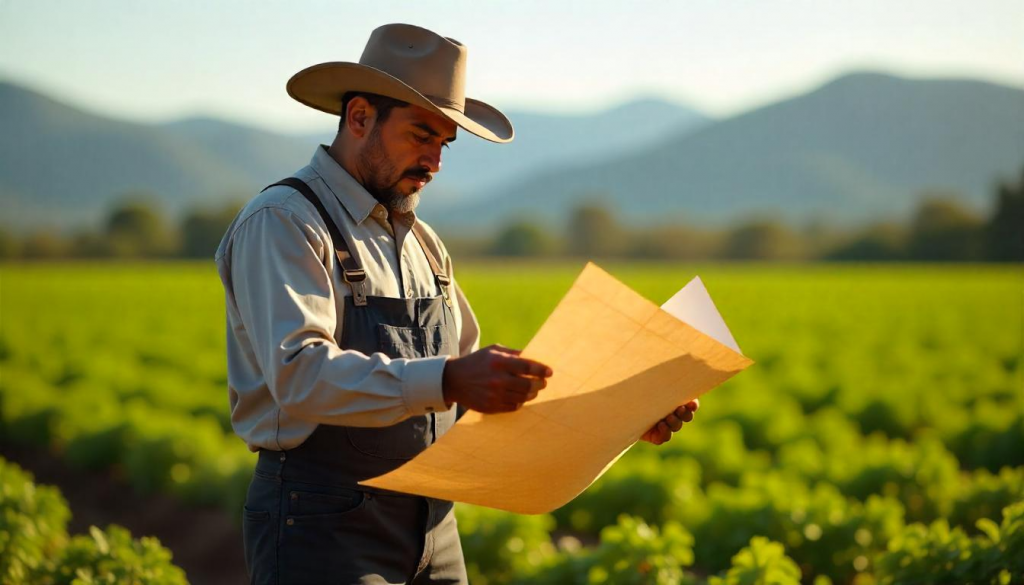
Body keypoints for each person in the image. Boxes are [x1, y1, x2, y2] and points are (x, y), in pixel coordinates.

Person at [214, 22, 699, 585]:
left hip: (434, 524)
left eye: (444, 144)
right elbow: (298, 374)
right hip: (319, 517)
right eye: (422, 135)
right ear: (360, 117)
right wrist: (448, 380)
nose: (435, 162)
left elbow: (476, 395)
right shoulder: (287, 221)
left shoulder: (424, 244)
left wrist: (619, 413)